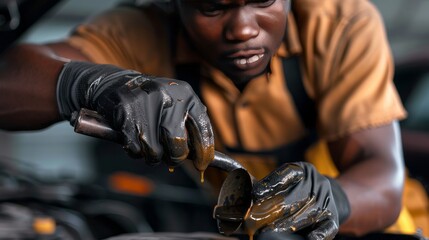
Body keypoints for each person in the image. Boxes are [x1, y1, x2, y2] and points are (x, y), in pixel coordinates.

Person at [0, 0, 417, 239]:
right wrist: (88, 83)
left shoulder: (340, 25)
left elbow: (382, 178)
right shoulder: (143, 32)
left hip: (367, 224)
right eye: (212, 6)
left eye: (263, 0)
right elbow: (9, 81)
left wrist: (334, 201)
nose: (241, 29)